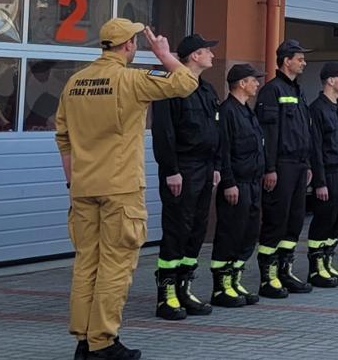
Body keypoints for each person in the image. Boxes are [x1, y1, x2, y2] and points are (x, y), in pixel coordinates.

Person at [54, 18, 200, 360]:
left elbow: (62, 137)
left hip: (83, 187)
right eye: (135, 41)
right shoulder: (131, 79)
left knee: (86, 263)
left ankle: (83, 341)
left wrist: (72, 181)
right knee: (115, 266)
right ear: (129, 46)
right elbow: (185, 83)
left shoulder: (75, 82)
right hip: (120, 188)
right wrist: (164, 54)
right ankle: (103, 341)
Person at [150, 34, 222, 320]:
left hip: (204, 169)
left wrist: (216, 165)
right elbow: (164, 133)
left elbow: (214, 131)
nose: (212, 56)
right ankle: (166, 295)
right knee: (177, 229)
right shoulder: (169, 86)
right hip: (182, 169)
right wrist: (171, 171)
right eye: (207, 52)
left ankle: (184, 289)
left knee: (196, 230)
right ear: (194, 56)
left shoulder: (206, 90)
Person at [255, 40, 318, 296]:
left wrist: (310, 164)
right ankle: (268, 278)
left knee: (294, 222)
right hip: (281, 166)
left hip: (300, 165)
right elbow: (268, 134)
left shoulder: (298, 91)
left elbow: (305, 131)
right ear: (286, 60)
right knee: (275, 221)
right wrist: (269, 168)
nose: (303, 63)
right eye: (299, 59)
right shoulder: (272, 91)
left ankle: (285, 271)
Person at [210, 63, 268, 308]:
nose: (257, 83)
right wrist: (229, 182)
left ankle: (235, 280)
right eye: (254, 79)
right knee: (230, 234)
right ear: (242, 83)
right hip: (236, 185)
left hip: (252, 183)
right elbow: (223, 151)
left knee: (248, 233)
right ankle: (221, 287)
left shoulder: (247, 111)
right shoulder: (227, 112)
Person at [304, 62, 338, 288]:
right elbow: (315, 148)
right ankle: (316, 268)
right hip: (329, 172)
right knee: (323, 221)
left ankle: (327, 261)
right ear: (330, 80)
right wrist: (320, 182)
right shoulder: (317, 109)